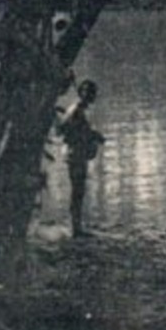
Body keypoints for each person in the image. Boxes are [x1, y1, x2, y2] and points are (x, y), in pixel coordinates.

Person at [56, 79, 105, 238]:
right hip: (75, 154)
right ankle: (76, 229)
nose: (93, 96)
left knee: (79, 191)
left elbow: (68, 128)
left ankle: (77, 226)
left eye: (93, 93)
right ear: (83, 94)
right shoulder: (76, 109)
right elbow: (67, 130)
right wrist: (94, 135)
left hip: (76, 153)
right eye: (90, 93)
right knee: (78, 191)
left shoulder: (77, 109)